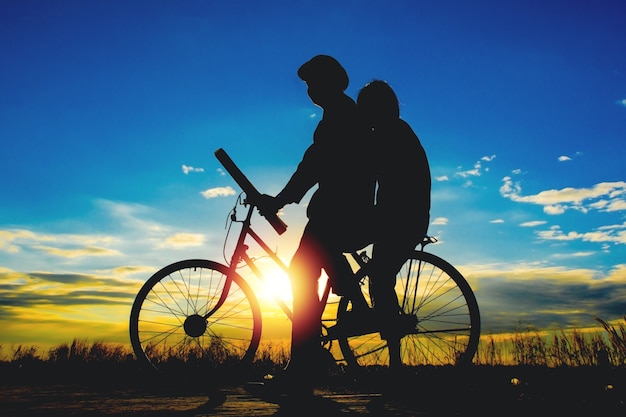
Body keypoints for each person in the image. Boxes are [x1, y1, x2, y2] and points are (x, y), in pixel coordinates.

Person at [258, 55, 376, 396]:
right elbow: (313, 165)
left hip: (342, 215)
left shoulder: (340, 117)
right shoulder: (339, 115)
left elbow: (313, 166)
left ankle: (305, 364)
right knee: (303, 272)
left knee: (302, 271)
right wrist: (282, 198)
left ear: (327, 83)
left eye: (312, 83)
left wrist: (279, 200)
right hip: (335, 214)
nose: (309, 90)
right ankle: (307, 360)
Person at [356, 80, 431, 366]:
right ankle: (394, 359)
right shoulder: (398, 131)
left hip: (397, 219)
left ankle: (394, 359)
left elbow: (365, 171)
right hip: (402, 217)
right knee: (381, 278)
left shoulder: (390, 135)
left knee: (380, 277)